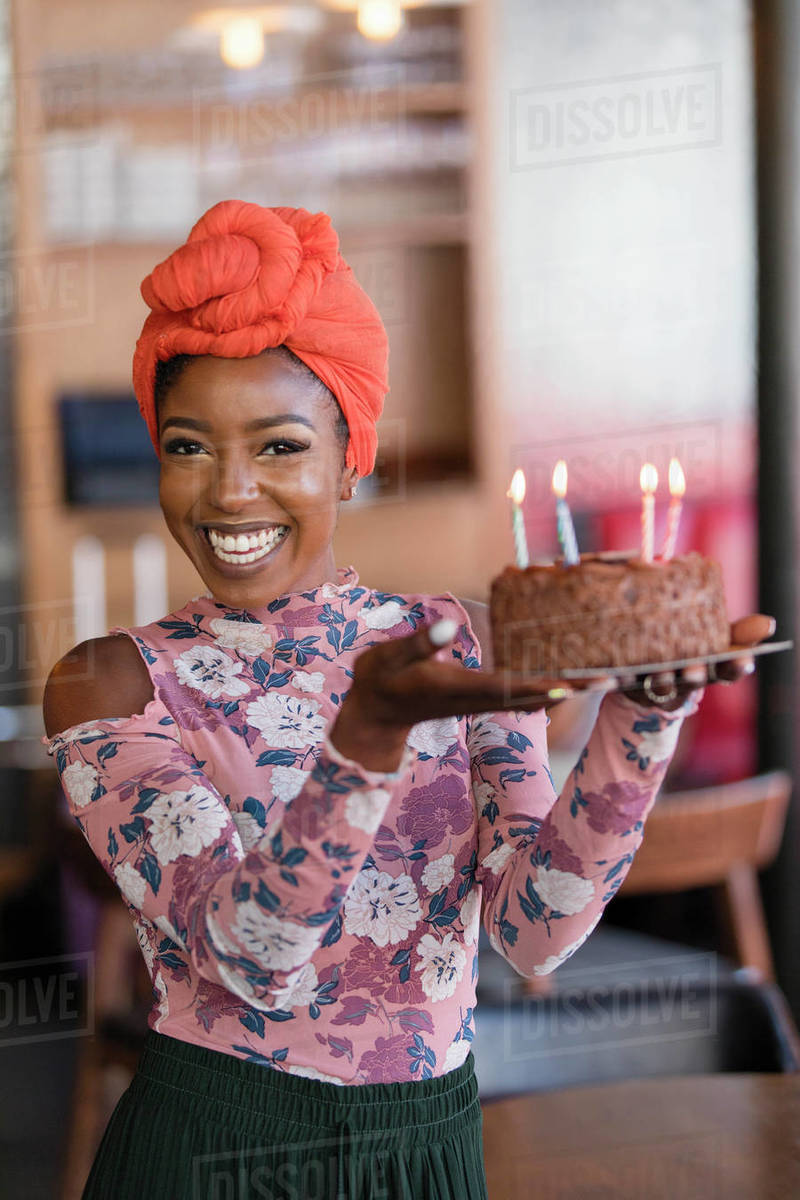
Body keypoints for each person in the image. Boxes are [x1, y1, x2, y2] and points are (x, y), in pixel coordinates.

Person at [42, 200, 769, 1200]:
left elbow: (533, 929)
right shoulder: (112, 680)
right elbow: (252, 964)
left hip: (426, 1149)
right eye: (188, 446)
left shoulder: (463, 640)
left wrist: (642, 718)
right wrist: (366, 737)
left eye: (280, 447)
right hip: (215, 1149)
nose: (228, 492)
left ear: (352, 459)